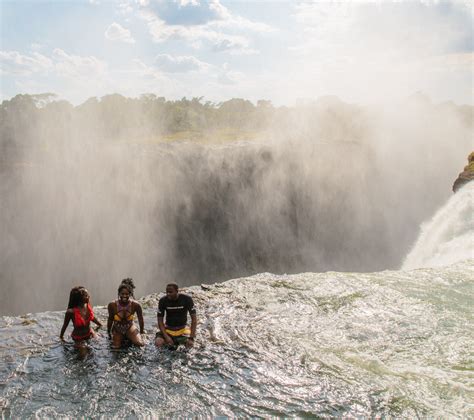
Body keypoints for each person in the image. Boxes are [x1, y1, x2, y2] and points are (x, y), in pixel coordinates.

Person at [155, 283, 197, 349]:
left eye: (170, 292)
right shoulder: (163, 301)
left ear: (177, 291)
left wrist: (191, 337)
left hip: (183, 329)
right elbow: (160, 321)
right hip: (168, 329)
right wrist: (166, 337)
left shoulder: (187, 299)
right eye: (167, 292)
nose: (168, 294)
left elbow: (194, 320)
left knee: (190, 344)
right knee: (158, 342)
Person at [107, 278, 145, 348]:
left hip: (129, 327)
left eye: (127, 294)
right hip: (117, 328)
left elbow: (141, 319)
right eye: (122, 294)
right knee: (116, 347)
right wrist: (108, 332)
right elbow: (110, 319)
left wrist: (142, 332)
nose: (124, 296)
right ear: (119, 293)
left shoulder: (135, 305)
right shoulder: (112, 305)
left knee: (139, 343)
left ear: (130, 294)